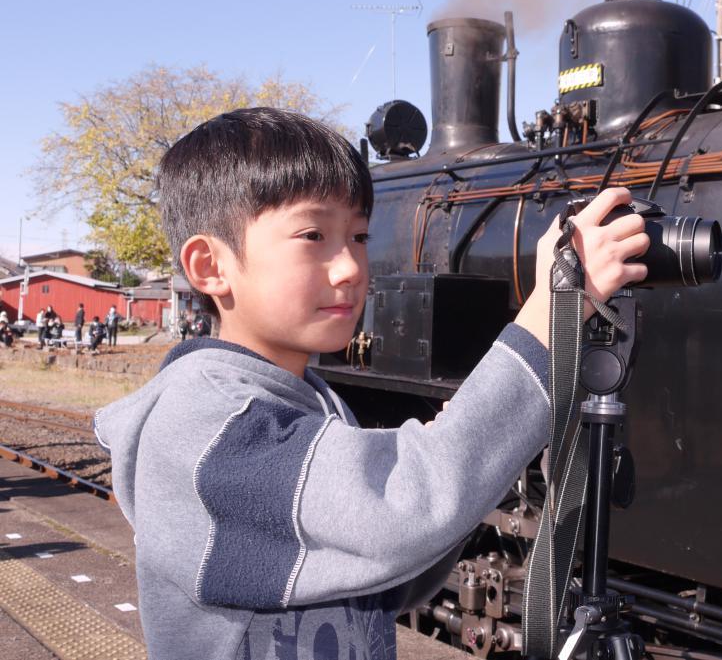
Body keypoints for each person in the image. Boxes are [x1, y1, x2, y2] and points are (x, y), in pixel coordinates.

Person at [93, 108, 648, 660]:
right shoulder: (205, 425)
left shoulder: (312, 400)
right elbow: (399, 515)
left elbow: (383, 577)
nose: (352, 267)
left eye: (358, 236)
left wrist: (465, 450)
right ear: (210, 267)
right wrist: (551, 314)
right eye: (313, 235)